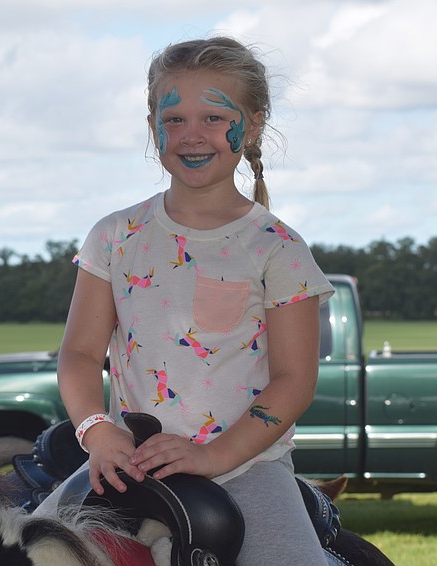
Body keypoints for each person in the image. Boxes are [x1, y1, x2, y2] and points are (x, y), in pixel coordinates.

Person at [40, 36, 337, 564]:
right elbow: (80, 354)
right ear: (152, 125)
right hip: (124, 463)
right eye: (174, 118)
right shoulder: (114, 237)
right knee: (19, 547)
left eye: (215, 118)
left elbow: (294, 379)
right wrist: (96, 431)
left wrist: (214, 455)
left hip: (248, 468)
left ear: (255, 123)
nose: (191, 135)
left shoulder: (279, 249)